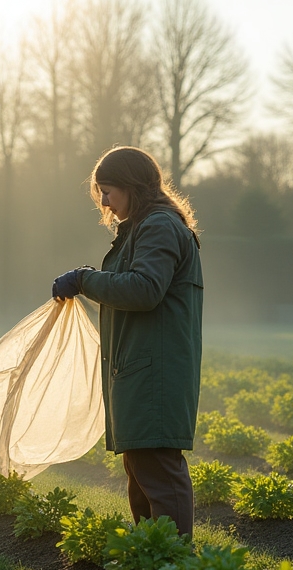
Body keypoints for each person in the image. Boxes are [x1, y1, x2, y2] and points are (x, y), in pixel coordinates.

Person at [52, 146, 203, 537]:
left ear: (132, 186)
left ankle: (176, 569)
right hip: (139, 372)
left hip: (155, 376)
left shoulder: (159, 226)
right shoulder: (142, 228)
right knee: (142, 474)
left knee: (159, 476)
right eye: (99, 192)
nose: (103, 201)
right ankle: (155, 561)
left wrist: (85, 279)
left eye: (108, 191)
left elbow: (145, 288)